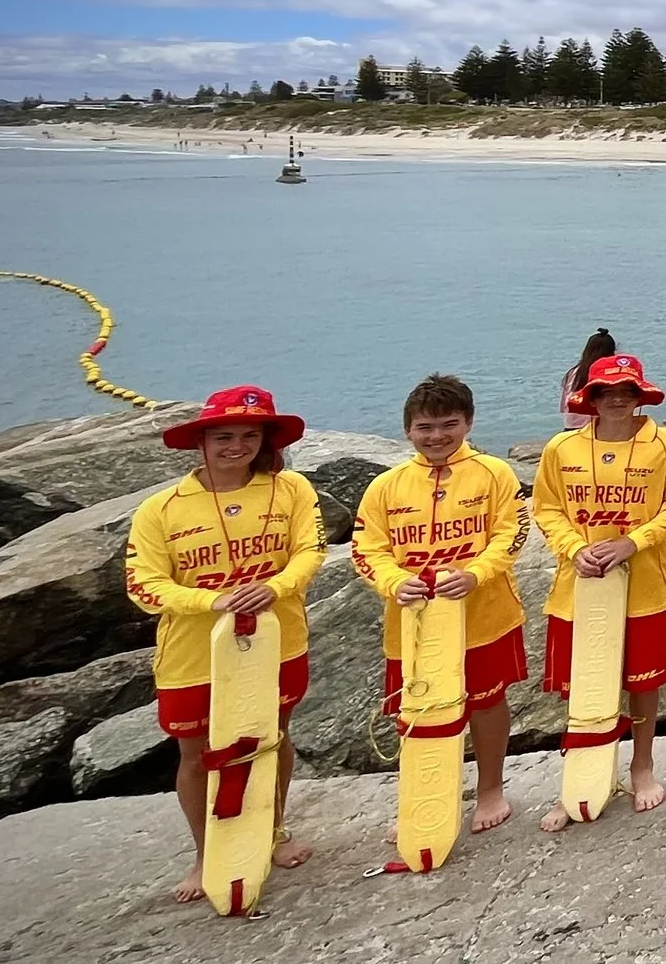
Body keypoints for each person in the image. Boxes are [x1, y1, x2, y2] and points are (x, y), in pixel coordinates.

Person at [124, 386, 326, 902]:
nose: (237, 446)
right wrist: (210, 602)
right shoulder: (160, 509)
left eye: (249, 436)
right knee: (195, 753)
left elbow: (310, 553)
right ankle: (206, 852)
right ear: (201, 441)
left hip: (275, 642)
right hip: (191, 654)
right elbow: (143, 585)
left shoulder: (292, 491)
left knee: (272, 737)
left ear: (265, 441)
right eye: (224, 436)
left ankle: (271, 832)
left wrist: (275, 587)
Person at [350, 375, 528, 835]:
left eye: (449, 424)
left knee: (487, 702)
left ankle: (490, 788)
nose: (437, 436)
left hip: (486, 615)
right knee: (417, 707)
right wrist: (394, 582)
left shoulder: (495, 474)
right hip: (412, 623)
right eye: (425, 427)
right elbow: (366, 549)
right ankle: (424, 796)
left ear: (468, 422)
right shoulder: (387, 486)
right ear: (407, 430)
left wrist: (476, 573)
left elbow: (512, 534)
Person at [532, 354, 666, 830]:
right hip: (578, 586)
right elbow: (546, 509)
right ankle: (580, 779)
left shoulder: (664, 444)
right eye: (606, 390)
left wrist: (632, 542)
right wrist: (574, 547)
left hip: (643, 584)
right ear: (592, 398)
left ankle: (642, 768)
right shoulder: (561, 450)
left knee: (644, 683)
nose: (617, 397)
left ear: (640, 393)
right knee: (583, 686)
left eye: (626, 389)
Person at [561, 328, 616, 430]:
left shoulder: (573, 373)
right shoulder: (607, 374)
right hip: (595, 429)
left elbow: (564, 406)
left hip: (570, 427)